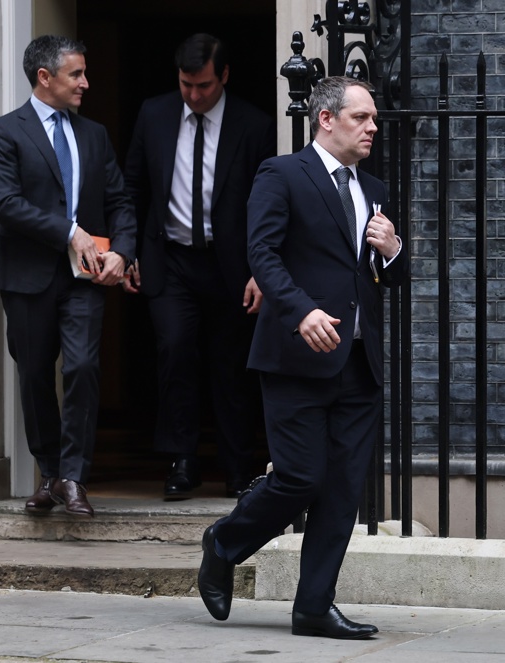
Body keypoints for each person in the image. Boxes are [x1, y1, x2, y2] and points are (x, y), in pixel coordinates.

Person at [196, 77, 409, 638]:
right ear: (326, 119)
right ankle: (224, 542)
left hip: (359, 363)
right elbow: (262, 254)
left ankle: (314, 606)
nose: (372, 127)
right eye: (361, 117)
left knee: (342, 491)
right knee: (299, 478)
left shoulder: (374, 188)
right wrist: (300, 312)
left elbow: (386, 277)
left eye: (373, 119)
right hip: (296, 356)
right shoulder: (283, 174)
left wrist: (393, 250)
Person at [0, 35, 135, 518]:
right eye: (77, 74)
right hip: (26, 276)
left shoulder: (94, 134)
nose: (86, 83)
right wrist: (70, 232)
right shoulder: (4, 132)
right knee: (34, 375)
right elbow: (6, 203)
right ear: (44, 77)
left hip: (85, 279)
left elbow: (119, 200)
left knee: (83, 367)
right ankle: (49, 474)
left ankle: (73, 476)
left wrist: (123, 251)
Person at [123, 33, 276, 500]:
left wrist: (262, 269)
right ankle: (182, 462)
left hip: (232, 265)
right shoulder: (154, 114)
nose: (193, 94)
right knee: (175, 353)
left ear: (224, 75)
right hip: (169, 260)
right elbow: (133, 187)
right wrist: (127, 250)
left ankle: (238, 468)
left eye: (204, 85)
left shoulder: (254, 124)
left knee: (232, 366)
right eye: (186, 84)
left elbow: (269, 203)